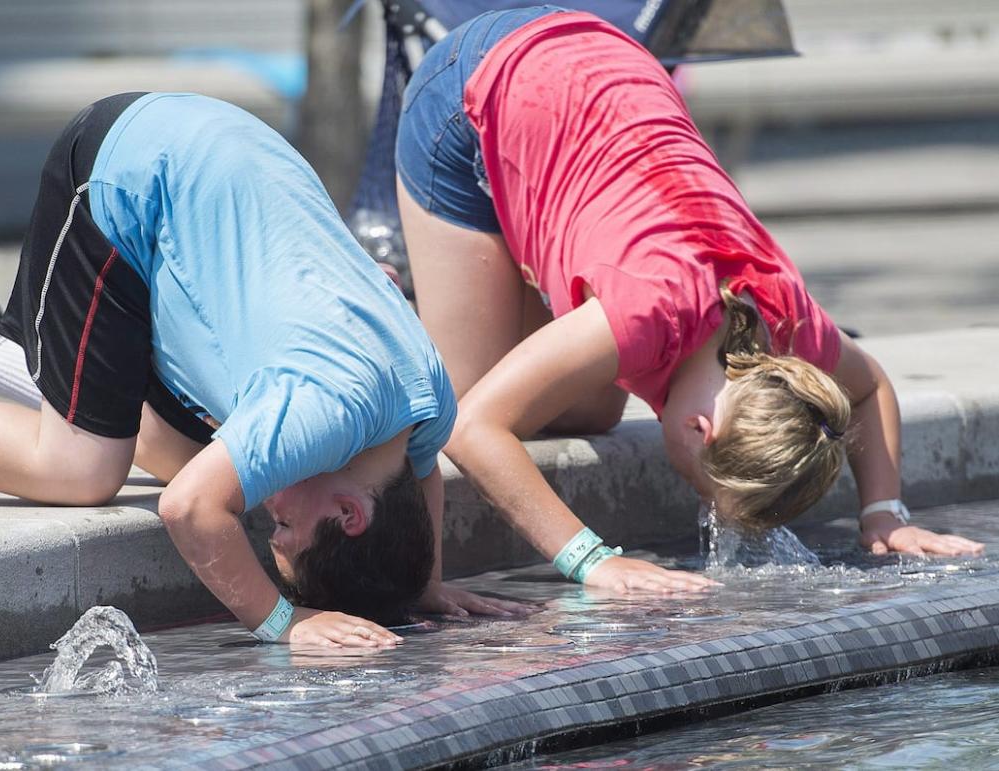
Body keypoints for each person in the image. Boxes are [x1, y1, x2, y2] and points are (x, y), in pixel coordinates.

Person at [0, 92, 524, 649]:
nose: (270, 516)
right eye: (286, 527)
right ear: (349, 512)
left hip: (215, 147)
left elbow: (423, 474)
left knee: (179, 458)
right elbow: (192, 513)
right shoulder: (320, 407)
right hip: (121, 173)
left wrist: (419, 585)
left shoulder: (420, 400)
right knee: (82, 470)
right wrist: (281, 621)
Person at [394, 7, 984, 592]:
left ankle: (523, 261)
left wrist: (884, 512)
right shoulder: (642, 313)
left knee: (590, 412)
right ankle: (384, 291)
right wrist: (590, 559)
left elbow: (869, 385)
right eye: (708, 495)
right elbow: (472, 430)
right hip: (474, 85)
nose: (708, 510)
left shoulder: (784, 323)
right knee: (457, 398)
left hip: (607, 62)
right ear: (701, 430)